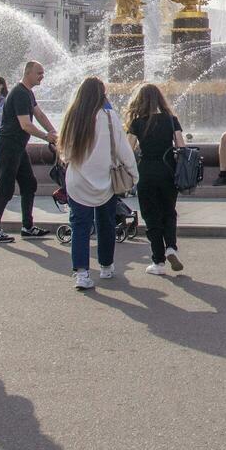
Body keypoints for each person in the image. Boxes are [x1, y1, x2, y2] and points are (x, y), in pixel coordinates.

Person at [59, 77, 138, 291]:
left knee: (80, 227)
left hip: (78, 181)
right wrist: (133, 173)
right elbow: (123, 148)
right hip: (106, 180)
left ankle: (82, 274)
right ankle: (106, 266)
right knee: (105, 224)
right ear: (101, 94)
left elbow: (64, 152)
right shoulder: (109, 116)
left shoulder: (72, 116)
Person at [0, 61, 58, 244]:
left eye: (43, 72)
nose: (42, 76)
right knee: (6, 188)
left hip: (18, 147)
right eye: (39, 73)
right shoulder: (19, 93)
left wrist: (55, 134)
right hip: (8, 145)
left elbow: (40, 115)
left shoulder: (28, 93)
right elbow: (26, 125)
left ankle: (27, 227)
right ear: (28, 73)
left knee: (29, 184)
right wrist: (46, 137)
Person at [127, 83, 186, 275]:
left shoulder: (137, 122)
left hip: (146, 172)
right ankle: (171, 247)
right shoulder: (171, 120)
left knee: (151, 214)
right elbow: (181, 146)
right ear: (160, 99)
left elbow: (128, 150)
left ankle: (158, 262)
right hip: (168, 171)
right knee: (169, 211)